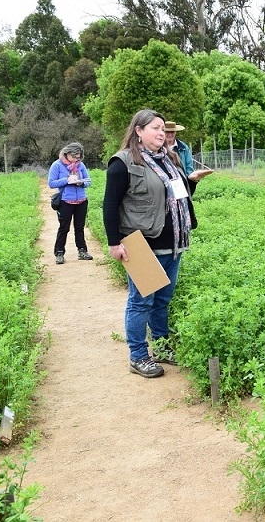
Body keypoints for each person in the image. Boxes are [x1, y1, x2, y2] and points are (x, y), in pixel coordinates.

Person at [103, 109, 214, 378]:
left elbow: (177, 195)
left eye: (163, 129)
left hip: (173, 242)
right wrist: (114, 242)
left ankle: (162, 348)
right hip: (142, 244)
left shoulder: (170, 158)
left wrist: (191, 181)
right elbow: (110, 204)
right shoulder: (123, 163)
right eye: (155, 128)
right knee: (141, 301)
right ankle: (138, 356)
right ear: (138, 131)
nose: (162, 133)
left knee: (162, 299)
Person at [48, 142, 92, 265]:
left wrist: (81, 182)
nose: (76, 159)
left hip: (81, 201)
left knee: (80, 228)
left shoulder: (81, 165)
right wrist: (66, 180)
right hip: (65, 201)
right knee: (64, 228)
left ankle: (82, 251)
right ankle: (59, 252)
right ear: (66, 154)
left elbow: (89, 181)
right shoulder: (57, 165)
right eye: (74, 157)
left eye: (78, 157)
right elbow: (51, 183)